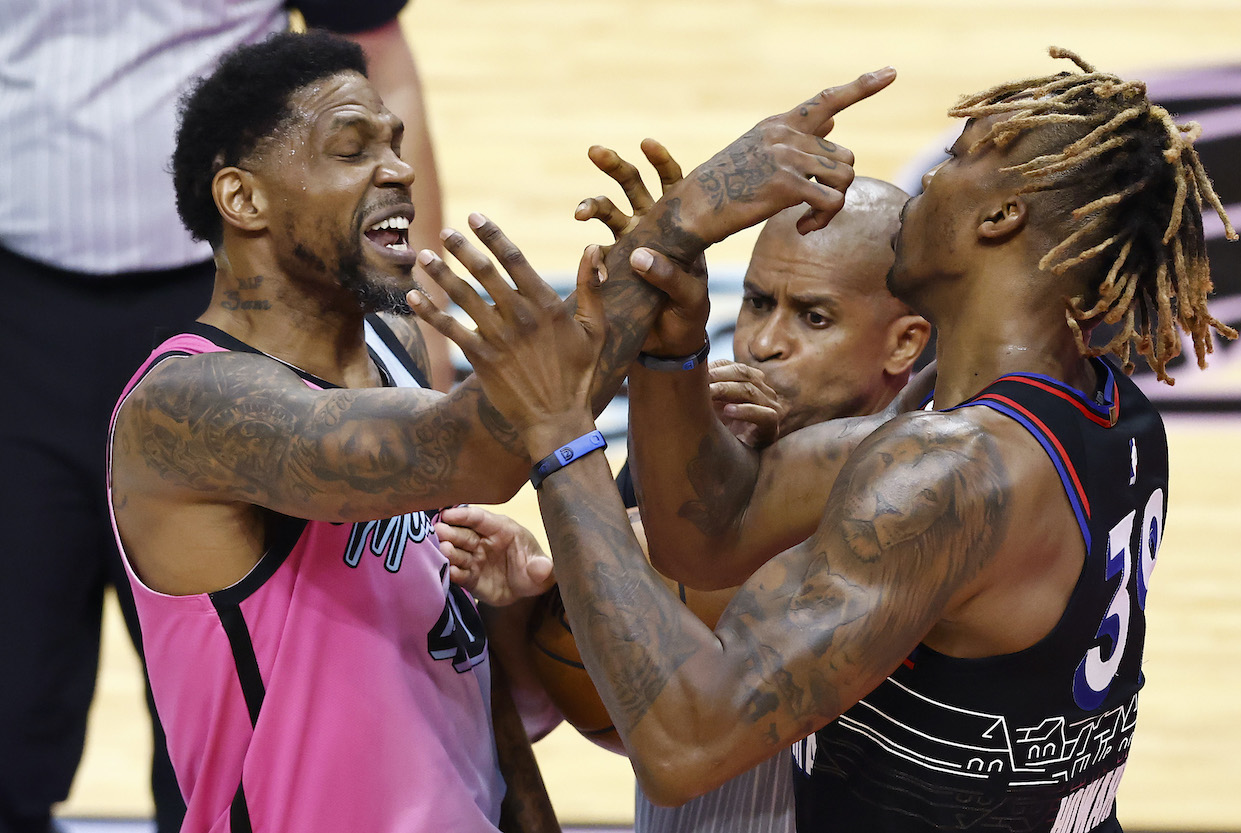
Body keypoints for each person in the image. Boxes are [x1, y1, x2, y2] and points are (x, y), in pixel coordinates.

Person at [408, 48, 1239, 832]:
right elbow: (705, 534)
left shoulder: (951, 474)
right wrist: (673, 351)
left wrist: (560, 432)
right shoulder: (1106, 414)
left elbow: (685, 743)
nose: (925, 183)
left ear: (1000, 215)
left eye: (952, 160)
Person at [106, 29, 887, 832]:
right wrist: (681, 221)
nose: (399, 171)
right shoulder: (186, 411)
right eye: (351, 149)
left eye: (395, 144)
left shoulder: (398, 347)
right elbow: (478, 445)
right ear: (243, 199)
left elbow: (455, 658)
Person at [0, 4, 448, 831]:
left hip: (234, 309)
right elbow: (480, 443)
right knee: (12, 695)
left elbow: (377, 53)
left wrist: (413, 317)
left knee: (236, 704)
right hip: (17, 314)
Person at [440, 175, 930, 833]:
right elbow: (593, 714)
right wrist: (535, 594)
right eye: (757, 302)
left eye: (813, 316)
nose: (763, 341)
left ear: (905, 341)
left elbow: (697, 739)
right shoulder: (673, 465)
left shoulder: (941, 482)